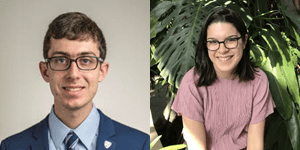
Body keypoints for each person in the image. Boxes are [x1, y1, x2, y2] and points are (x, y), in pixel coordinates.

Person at [0, 12, 149, 150]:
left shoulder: (139, 145)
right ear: (45, 71)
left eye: (85, 60)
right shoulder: (11, 147)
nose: (73, 74)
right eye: (61, 60)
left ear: (102, 71)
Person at [171, 7, 275, 150]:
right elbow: (197, 147)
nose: (222, 49)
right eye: (213, 42)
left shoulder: (258, 81)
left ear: (244, 41)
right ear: (206, 45)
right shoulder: (192, 83)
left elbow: (255, 145)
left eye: (231, 40)